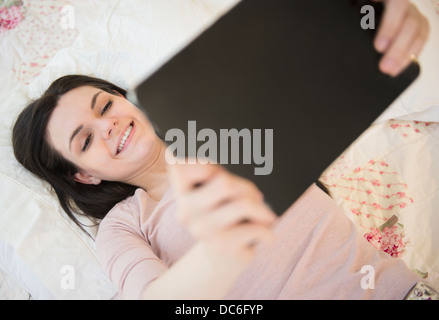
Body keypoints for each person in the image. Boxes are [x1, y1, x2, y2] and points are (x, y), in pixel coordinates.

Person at [11, 0, 435, 300]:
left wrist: (375, 17)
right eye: (84, 139)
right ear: (83, 175)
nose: (108, 125)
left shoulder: (225, 124)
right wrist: (221, 249)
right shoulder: (124, 227)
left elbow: (316, 63)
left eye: (105, 105)